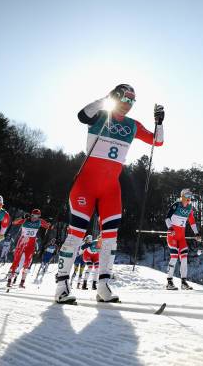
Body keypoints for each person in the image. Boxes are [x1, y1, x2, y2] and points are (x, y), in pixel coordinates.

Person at [55, 84, 165, 303]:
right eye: (124, 99)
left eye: (132, 102)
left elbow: (157, 141)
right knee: (75, 235)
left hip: (110, 189)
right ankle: (61, 286)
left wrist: (159, 123)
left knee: (110, 239)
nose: (127, 105)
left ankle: (103, 286)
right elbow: (82, 116)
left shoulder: (133, 125)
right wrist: (106, 98)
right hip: (85, 185)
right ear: (116, 97)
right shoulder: (101, 115)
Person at [165, 188, 201, 290]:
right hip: (172, 236)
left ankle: (184, 282)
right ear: (182, 197)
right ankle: (169, 282)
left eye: (190, 197)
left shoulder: (189, 208)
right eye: (187, 196)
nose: (189, 199)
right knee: (174, 257)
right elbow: (167, 217)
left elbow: (192, 221)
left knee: (184, 258)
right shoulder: (176, 205)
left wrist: (197, 233)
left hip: (181, 238)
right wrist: (170, 227)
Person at [7, 209, 51, 288]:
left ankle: (22, 282)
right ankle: (9, 280)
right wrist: (22, 217)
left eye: (37, 216)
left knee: (27, 262)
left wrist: (50, 223)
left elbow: (48, 226)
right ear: (31, 215)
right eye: (34, 216)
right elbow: (14, 222)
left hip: (31, 244)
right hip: (22, 242)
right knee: (16, 261)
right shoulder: (25, 220)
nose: (35, 218)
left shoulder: (40, 221)